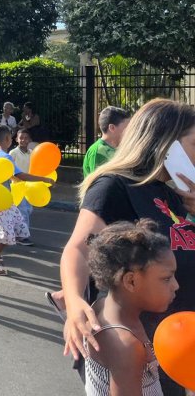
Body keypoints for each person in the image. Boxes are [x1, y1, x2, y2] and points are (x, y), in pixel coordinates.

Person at [60, 99, 195, 396]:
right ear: (166, 145)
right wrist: (74, 301)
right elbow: (79, 248)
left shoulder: (176, 195)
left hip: (180, 344)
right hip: (141, 350)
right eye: (194, 144)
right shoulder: (115, 186)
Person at [81, 219, 175, 396]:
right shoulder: (126, 345)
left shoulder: (102, 305)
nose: (175, 286)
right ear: (131, 281)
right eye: (166, 278)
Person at [0, 125, 54, 275]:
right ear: (8, 138)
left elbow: (10, 175)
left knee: (17, 227)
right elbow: (21, 175)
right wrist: (43, 179)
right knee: (6, 233)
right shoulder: (5, 156)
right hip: (2, 201)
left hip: (5, 199)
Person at [83, 106, 131, 178]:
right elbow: (98, 182)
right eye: (127, 128)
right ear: (112, 128)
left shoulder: (122, 148)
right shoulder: (98, 152)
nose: (130, 131)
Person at [10, 128, 35, 245]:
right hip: (17, 186)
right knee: (23, 210)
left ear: (29, 140)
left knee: (28, 209)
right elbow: (9, 170)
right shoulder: (13, 153)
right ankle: (22, 236)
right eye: (21, 138)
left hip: (29, 186)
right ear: (16, 139)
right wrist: (16, 180)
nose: (23, 140)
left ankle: (16, 232)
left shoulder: (32, 153)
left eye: (26, 138)